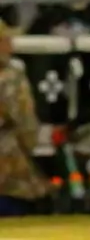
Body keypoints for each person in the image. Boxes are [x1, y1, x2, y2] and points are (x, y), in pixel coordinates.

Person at [0, 19, 50, 216]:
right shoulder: (11, 75)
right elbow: (24, 118)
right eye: (6, 40)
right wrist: (29, 142)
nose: (11, 44)